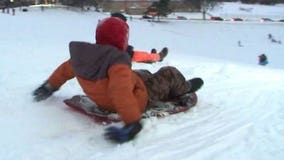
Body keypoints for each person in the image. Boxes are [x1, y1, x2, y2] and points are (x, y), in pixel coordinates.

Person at [32, 17, 204, 143]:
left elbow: (63, 72)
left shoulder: (84, 58)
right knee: (169, 73)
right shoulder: (117, 64)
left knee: (142, 72)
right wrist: (132, 122)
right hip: (139, 98)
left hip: (104, 98)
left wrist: (49, 86)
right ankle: (184, 87)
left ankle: (151, 80)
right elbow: (120, 92)